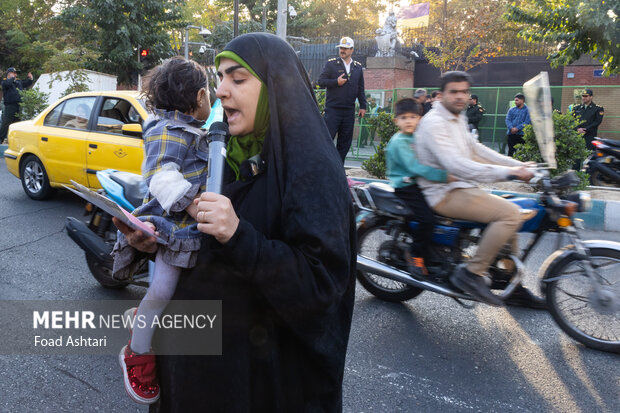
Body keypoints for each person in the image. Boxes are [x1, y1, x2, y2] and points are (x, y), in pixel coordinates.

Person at [114, 33, 356, 411]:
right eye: (221, 78)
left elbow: (323, 288)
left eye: (238, 79)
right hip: (189, 375)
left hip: (254, 387)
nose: (222, 91)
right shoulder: (219, 153)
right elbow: (199, 242)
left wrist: (239, 235)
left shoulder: (313, 171)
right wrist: (152, 243)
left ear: (277, 87)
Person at [112, 57, 211, 405]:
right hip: (176, 226)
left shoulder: (188, 128)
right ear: (200, 97)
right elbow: (161, 177)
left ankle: (142, 318)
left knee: (165, 293)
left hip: (185, 225)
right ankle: (136, 353)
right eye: (211, 91)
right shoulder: (167, 130)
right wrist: (197, 203)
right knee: (162, 292)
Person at [416, 71, 544, 309]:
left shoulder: (458, 117)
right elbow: (457, 165)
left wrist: (518, 165)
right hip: (443, 193)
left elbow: (476, 150)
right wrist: (511, 174)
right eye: (454, 92)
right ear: (441, 95)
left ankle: (509, 284)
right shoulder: (434, 123)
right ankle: (471, 273)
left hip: (462, 188)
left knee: (511, 214)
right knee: (510, 214)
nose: (460, 96)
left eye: (464, 91)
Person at [386, 98, 454, 277]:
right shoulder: (400, 141)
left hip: (418, 184)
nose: (408, 121)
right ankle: (415, 255)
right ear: (396, 121)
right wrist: (444, 176)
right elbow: (416, 168)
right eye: (403, 117)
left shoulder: (415, 137)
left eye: (412, 117)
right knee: (427, 220)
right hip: (406, 187)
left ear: (420, 119)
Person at [318, 36, 367, 162]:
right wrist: (336, 82)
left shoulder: (357, 67)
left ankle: (339, 168)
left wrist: (363, 106)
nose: (342, 51)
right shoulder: (331, 64)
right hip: (333, 110)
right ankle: (326, 167)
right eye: (341, 48)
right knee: (327, 140)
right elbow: (321, 82)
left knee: (345, 142)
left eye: (345, 48)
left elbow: (360, 88)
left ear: (352, 50)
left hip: (349, 111)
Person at [0, 67, 33, 144]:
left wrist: (30, 79)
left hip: (18, 105)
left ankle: (14, 140)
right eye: (14, 73)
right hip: (10, 106)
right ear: (9, 73)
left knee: (16, 123)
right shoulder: (5, 82)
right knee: (6, 123)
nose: (16, 74)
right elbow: (8, 84)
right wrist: (11, 78)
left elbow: (26, 83)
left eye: (15, 73)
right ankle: (0, 139)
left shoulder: (18, 82)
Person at [505, 93, 531, 157]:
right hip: (511, 134)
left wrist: (517, 128)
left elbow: (527, 122)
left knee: (521, 153)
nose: (515, 102)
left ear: (522, 100)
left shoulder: (528, 110)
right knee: (511, 151)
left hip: (521, 135)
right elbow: (507, 119)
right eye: (515, 100)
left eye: (517, 100)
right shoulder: (511, 110)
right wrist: (511, 128)